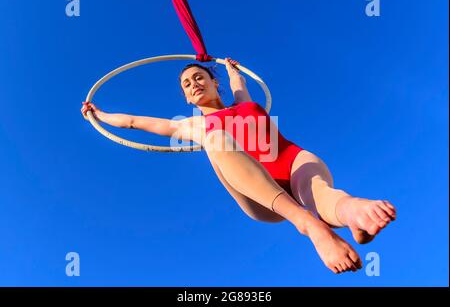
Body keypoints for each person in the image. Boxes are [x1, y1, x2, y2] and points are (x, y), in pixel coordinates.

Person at [81, 58, 396, 274]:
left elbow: (239, 84)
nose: (193, 84)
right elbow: (135, 122)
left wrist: (231, 68)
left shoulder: (244, 103)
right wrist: (100, 115)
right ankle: (310, 226)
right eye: (187, 84)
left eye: (199, 77)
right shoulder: (191, 126)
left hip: (289, 159)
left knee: (318, 189)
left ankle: (351, 212)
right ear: (187, 98)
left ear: (213, 82)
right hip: (261, 195)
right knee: (213, 137)